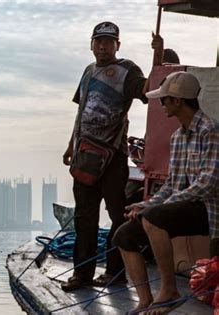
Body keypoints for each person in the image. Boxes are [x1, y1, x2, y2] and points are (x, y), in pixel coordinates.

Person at [113, 71, 219, 314]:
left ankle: (169, 290)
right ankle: (145, 299)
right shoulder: (178, 137)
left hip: (209, 209)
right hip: (186, 206)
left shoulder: (210, 130)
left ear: (177, 101)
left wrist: (156, 208)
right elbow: (173, 184)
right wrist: (146, 203)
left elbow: (208, 184)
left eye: (164, 100)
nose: (161, 105)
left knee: (154, 217)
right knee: (124, 236)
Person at [61, 21, 153, 291]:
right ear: (91, 44)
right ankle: (82, 275)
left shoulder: (126, 70)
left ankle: (115, 272)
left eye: (108, 42)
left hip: (112, 156)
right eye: (98, 41)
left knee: (118, 217)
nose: (102, 46)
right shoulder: (88, 72)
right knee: (84, 218)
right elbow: (82, 114)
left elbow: (146, 90)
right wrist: (71, 145)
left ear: (117, 45)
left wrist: (157, 55)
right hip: (85, 156)